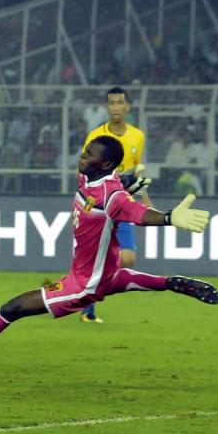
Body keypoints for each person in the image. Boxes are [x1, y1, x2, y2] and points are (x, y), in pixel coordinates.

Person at [0, 136, 218, 360]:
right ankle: (173, 283)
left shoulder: (112, 195)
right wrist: (125, 180)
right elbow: (107, 187)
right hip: (108, 273)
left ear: (106, 163)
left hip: (86, 283)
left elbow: (135, 213)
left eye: (89, 154)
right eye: (84, 151)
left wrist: (168, 217)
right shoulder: (89, 176)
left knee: (12, 309)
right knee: (127, 279)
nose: (81, 157)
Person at [79, 87, 148, 323]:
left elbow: (136, 169)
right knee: (102, 259)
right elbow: (85, 170)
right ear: (107, 107)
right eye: (112, 103)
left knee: (127, 260)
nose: (116, 107)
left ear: (128, 106)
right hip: (99, 205)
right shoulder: (95, 136)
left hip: (123, 202)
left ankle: (91, 284)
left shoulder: (137, 136)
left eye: (120, 102)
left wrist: (144, 198)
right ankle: (86, 305)